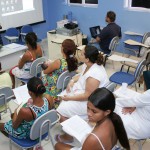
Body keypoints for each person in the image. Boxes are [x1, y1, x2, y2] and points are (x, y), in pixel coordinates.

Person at [55, 88, 130, 150]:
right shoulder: (113, 119)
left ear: (107, 112)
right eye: (88, 108)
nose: (89, 113)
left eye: (94, 111)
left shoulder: (93, 139)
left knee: (58, 146)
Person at [57, 45, 109, 122]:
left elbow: (88, 96)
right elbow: (82, 75)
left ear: (87, 59)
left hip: (90, 102)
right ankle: (71, 119)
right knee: (62, 99)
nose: (79, 54)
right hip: (84, 92)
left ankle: (72, 131)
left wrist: (69, 98)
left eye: (81, 54)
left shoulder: (94, 76)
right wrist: (72, 80)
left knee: (59, 111)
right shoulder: (88, 64)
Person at [42, 39, 78, 107]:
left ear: (63, 49)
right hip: (64, 85)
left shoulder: (59, 62)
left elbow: (45, 71)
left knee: (41, 78)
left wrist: (49, 64)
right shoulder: (74, 60)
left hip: (53, 88)